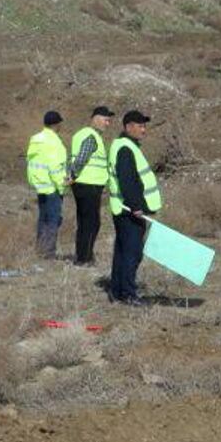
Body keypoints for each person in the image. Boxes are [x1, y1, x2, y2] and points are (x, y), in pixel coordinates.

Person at [107, 111, 161, 305]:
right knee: (132, 252)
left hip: (123, 209)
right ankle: (128, 294)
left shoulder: (125, 146)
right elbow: (127, 180)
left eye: (144, 126)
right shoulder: (125, 149)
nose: (144, 129)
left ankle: (117, 292)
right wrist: (136, 206)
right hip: (129, 211)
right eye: (140, 125)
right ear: (128, 127)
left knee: (123, 251)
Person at [68, 105, 114, 265]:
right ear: (95, 118)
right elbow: (81, 158)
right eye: (106, 120)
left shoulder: (82, 134)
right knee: (91, 223)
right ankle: (84, 259)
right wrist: (72, 174)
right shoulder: (91, 136)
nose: (108, 124)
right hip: (88, 184)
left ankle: (83, 256)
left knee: (85, 222)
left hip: (85, 184)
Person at [25, 110, 69, 258]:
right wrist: (62, 186)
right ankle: (48, 253)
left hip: (40, 186)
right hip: (52, 187)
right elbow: (55, 167)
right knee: (53, 220)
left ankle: (39, 250)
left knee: (42, 219)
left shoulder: (36, 139)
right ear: (57, 125)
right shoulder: (54, 142)